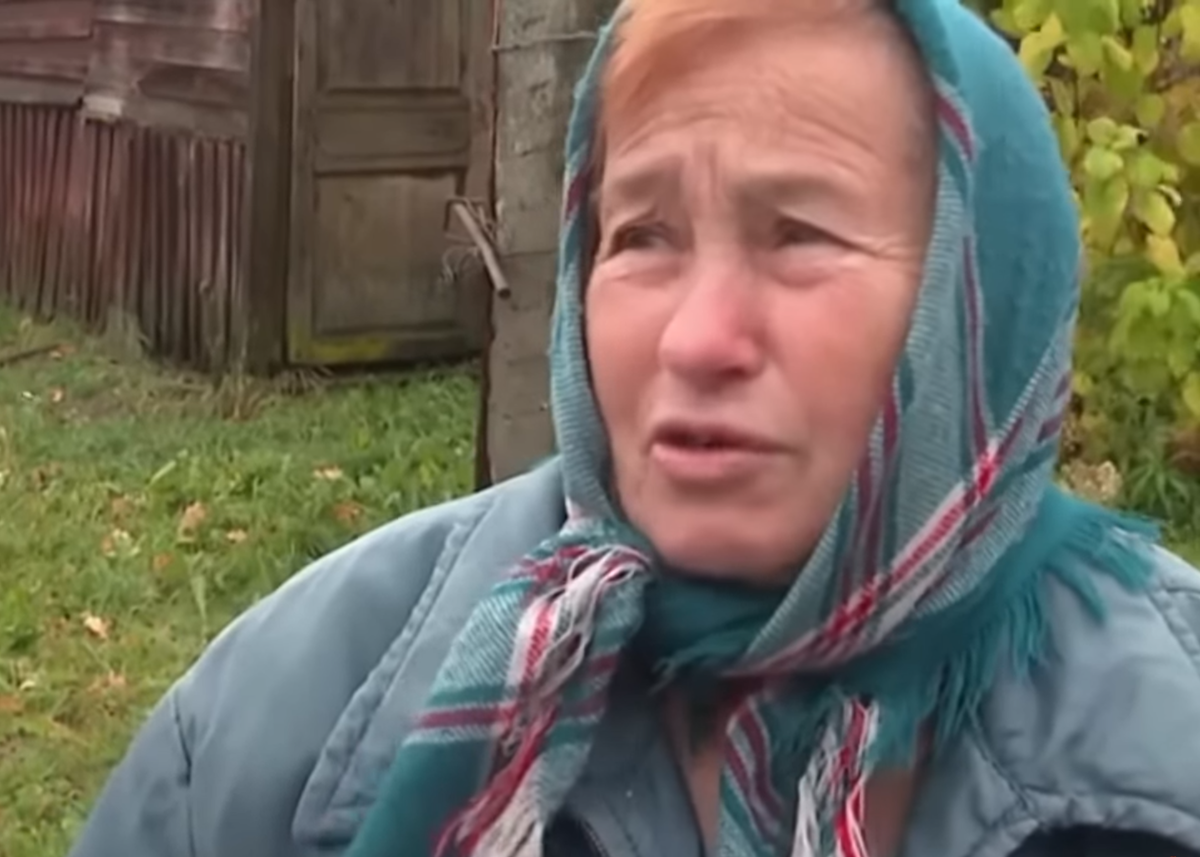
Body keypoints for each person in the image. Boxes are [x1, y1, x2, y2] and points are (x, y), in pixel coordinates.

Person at [68, 0, 1200, 855]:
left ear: (983, 292)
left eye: (800, 234)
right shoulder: (287, 710)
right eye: (642, 236)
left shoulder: (1169, 723)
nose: (696, 339)